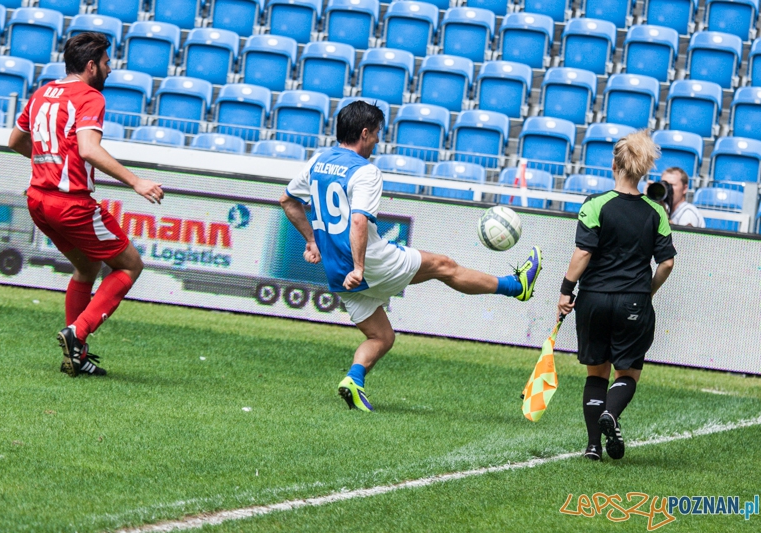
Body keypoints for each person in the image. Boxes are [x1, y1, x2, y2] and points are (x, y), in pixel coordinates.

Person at [280, 101, 543, 412]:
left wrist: (313, 241)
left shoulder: (317, 162)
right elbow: (358, 221)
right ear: (364, 133)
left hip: (338, 274)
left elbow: (287, 200)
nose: (377, 141)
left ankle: (353, 379)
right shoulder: (365, 171)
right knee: (444, 266)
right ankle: (517, 286)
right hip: (368, 263)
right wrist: (361, 266)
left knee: (382, 336)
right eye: (376, 134)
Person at [7, 32, 164, 377]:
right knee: (130, 266)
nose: (110, 69)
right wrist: (137, 181)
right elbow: (89, 149)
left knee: (88, 268)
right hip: (70, 204)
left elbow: (15, 140)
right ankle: (77, 333)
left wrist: (48, 164)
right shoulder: (90, 97)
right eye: (107, 62)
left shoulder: (42, 92)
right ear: (91, 66)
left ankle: (76, 356)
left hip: (37, 200)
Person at [557, 130, 676, 461]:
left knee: (596, 372)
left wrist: (567, 291)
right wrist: (647, 291)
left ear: (615, 164)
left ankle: (593, 446)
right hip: (633, 301)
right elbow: (666, 262)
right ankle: (611, 412)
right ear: (644, 170)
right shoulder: (656, 211)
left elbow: (583, 253)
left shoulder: (595, 204)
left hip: (593, 298)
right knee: (627, 373)